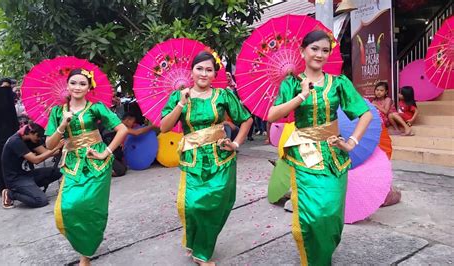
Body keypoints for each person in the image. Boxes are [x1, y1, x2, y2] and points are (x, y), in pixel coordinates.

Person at [267, 30, 373, 265]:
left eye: (325, 50)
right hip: (304, 156)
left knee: (332, 216)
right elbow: (273, 115)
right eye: (314, 49)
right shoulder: (292, 83)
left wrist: (351, 143)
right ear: (303, 51)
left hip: (334, 156)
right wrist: (301, 96)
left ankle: (324, 254)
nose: (320, 54)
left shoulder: (339, 83)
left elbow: (365, 115)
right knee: (311, 215)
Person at [160, 51, 253, 266]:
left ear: (214, 74)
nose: (203, 73)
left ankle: (202, 252)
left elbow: (246, 120)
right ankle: (195, 242)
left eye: (209, 70)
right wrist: (181, 104)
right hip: (193, 160)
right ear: (191, 72)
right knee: (192, 206)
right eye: (199, 68)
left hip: (221, 158)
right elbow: (164, 127)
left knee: (218, 204)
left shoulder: (223, 96)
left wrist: (236, 143)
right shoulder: (178, 96)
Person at [45, 68, 128, 266]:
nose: (77, 87)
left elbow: (123, 129)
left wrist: (106, 152)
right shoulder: (58, 112)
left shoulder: (95, 108)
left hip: (97, 162)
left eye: (83, 83)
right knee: (67, 208)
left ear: (89, 87)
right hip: (73, 163)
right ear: (67, 85)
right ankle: (83, 243)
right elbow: (49, 144)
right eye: (73, 83)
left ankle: (86, 255)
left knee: (92, 208)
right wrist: (62, 126)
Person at [1, 122, 63, 209]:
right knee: (41, 201)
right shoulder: (15, 141)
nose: (39, 139)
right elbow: (36, 160)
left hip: (25, 175)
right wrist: (55, 149)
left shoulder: (31, 139)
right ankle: (11, 193)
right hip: (15, 180)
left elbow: (46, 153)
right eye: (38, 136)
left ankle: (30, 190)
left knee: (57, 172)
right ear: (31, 132)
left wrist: (60, 144)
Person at [100, 112, 155, 177]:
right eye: (132, 121)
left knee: (123, 163)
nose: (132, 124)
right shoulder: (119, 126)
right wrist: (153, 126)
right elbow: (137, 132)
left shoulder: (115, 124)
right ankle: (102, 172)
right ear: (127, 120)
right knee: (121, 170)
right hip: (103, 152)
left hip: (109, 151)